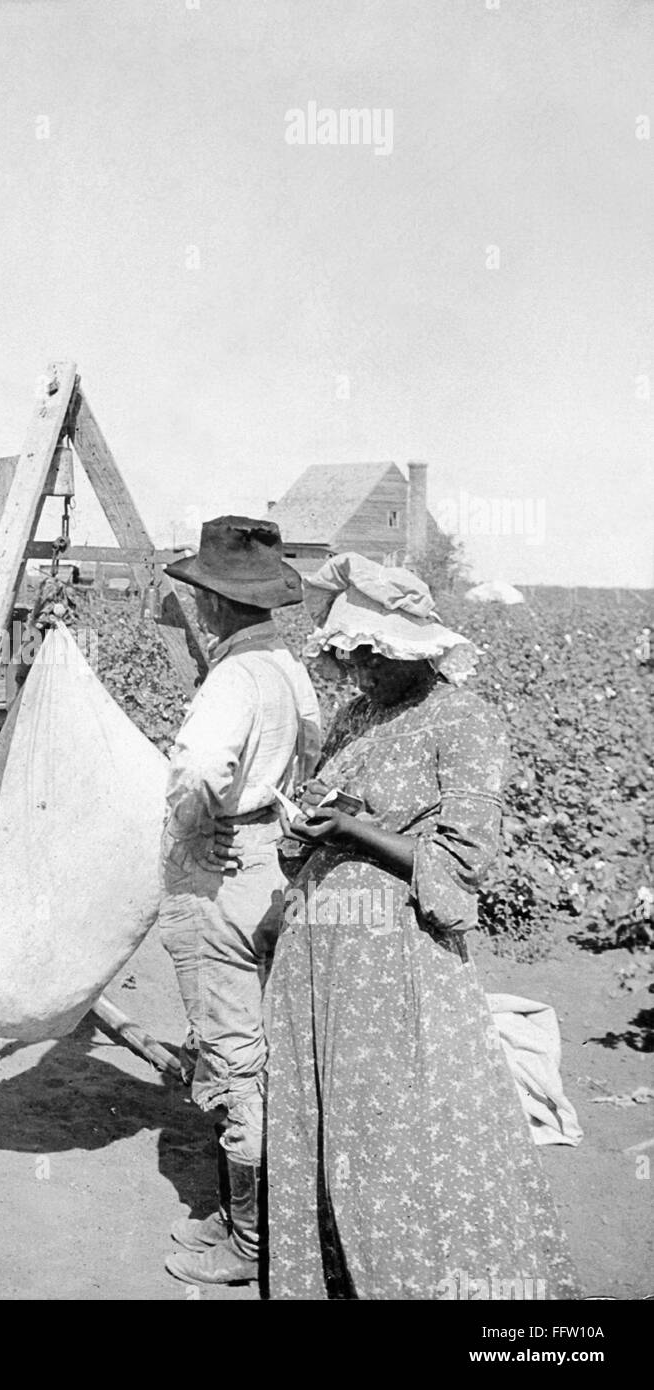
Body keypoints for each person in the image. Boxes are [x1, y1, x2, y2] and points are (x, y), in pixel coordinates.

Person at [265, 552, 579, 1299]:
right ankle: (332, 1274)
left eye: (370, 658)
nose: (358, 673)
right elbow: (323, 806)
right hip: (320, 947)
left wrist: (353, 833)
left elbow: (460, 862)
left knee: (396, 1128)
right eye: (349, 658)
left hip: (394, 958)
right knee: (327, 1115)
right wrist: (306, 821)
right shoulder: (359, 714)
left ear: (412, 650)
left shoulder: (463, 721)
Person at [156, 517, 322, 1286]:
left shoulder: (231, 679)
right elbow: (312, 754)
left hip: (224, 873)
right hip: (272, 868)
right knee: (268, 1048)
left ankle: (252, 1245)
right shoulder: (288, 670)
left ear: (216, 605)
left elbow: (195, 773)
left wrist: (194, 839)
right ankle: (256, 1217)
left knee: (233, 1060)